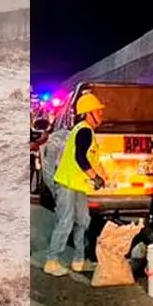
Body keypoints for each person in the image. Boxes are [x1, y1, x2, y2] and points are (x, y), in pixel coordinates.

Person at [45, 93, 107, 277]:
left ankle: (79, 261)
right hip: (67, 184)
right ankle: (52, 260)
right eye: (98, 111)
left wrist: (101, 176)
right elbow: (80, 158)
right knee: (66, 221)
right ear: (90, 113)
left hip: (78, 185)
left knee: (83, 221)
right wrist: (95, 177)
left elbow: (89, 158)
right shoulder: (84, 131)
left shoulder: (87, 131)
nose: (101, 114)